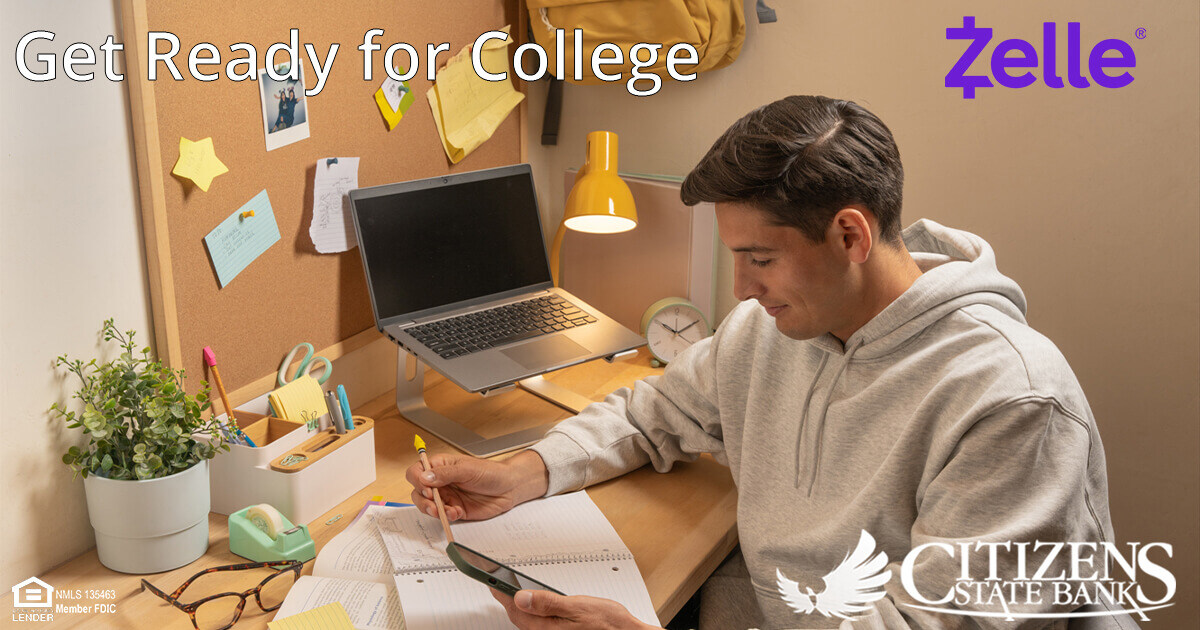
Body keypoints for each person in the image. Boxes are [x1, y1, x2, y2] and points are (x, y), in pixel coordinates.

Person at [407, 95, 1113, 629]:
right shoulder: (771, 331)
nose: (741, 290)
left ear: (849, 235)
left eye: (759, 259)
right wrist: (524, 473)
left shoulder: (1011, 401)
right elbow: (655, 410)